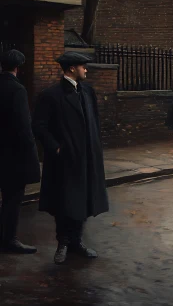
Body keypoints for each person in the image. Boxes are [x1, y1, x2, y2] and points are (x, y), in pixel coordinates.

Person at [33, 51, 109, 264]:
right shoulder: (51, 95)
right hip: (65, 160)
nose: (86, 69)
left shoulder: (87, 92)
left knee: (83, 200)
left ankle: (76, 242)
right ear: (72, 69)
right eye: (83, 66)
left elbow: (94, 121)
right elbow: (39, 126)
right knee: (64, 203)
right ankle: (63, 243)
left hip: (87, 157)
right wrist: (56, 148)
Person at [0, 50, 40, 254]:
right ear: (18, 67)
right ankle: (9, 240)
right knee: (12, 199)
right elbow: (24, 128)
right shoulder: (17, 90)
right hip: (12, 156)